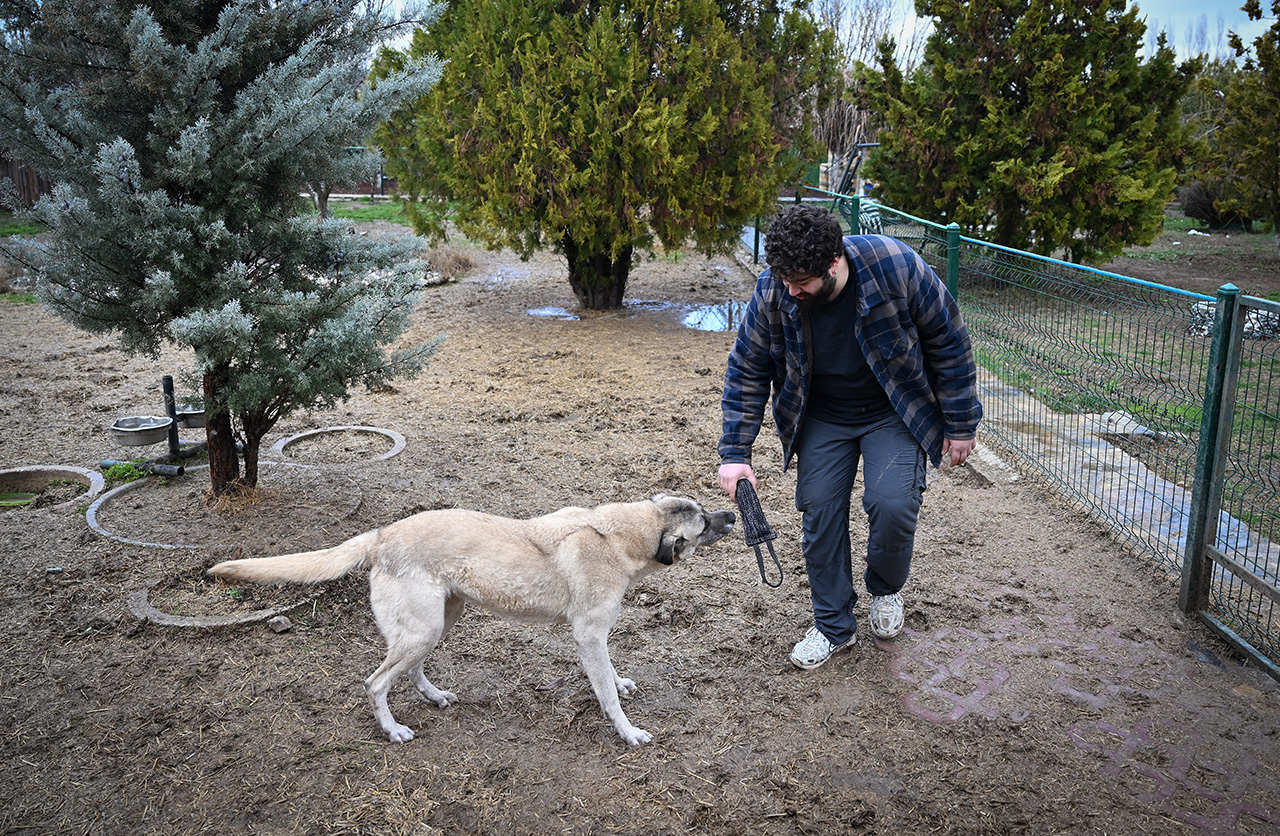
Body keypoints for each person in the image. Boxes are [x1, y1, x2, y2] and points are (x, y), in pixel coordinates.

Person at [718, 204, 982, 670]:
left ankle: (885, 590)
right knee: (819, 512)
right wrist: (736, 452)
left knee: (892, 504)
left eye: (802, 282)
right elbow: (748, 369)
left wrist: (961, 423)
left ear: (834, 262)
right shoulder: (775, 290)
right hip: (821, 416)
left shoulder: (894, 266)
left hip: (893, 409)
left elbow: (949, 339)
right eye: (784, 280)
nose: (791, 290)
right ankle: (834, 625)